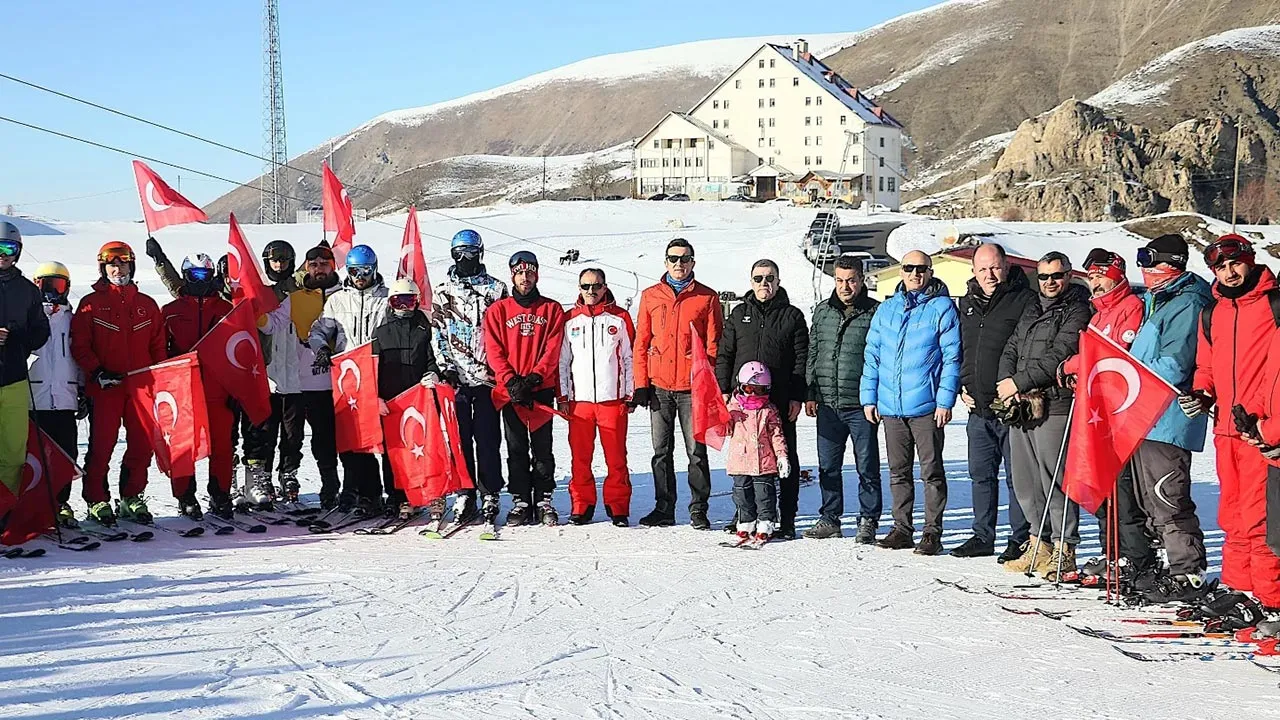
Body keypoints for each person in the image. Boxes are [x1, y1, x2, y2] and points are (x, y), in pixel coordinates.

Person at [1185, 234, 1280, 612]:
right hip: (1225, 429)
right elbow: (1206, 366)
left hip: (1262, 430)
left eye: (1234, 263)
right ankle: (1240, 591)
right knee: (1232, 517)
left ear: (1250, 259)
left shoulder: (1274, 305)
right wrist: (1201, 392)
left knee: (1259, 520)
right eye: (1220, 267)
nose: (1229, 272)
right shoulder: (1213, 312)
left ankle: (1268, 599)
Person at [1115, 235, 1210, 603]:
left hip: (1167, 418)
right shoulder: (1159, 300)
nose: (1143, 268)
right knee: (1149, 501)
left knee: (1167, 497)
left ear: (1169, 264)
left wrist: (1128, 376)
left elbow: (1174, 363)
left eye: (1148, 261)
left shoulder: (1187, 303)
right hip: (1145, 415)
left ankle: (1189, 573)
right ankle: (1170, 568)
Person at [998, 251, 1091, 580]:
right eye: (1044, 277)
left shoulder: (1077, 308)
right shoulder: (1032, 307)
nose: (1050, 282)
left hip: (1054, 402)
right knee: (1025, 480)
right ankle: (1038, 544)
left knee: (1055, 478)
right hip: (1022, 404)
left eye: (1057, 275)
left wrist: (1019, 381)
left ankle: (1064, 546)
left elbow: (1061, 353)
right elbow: (1012, 346)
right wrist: (1007, 382)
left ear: (1068, 275)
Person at [1061, 248, 1152, 580]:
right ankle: (1110, 552)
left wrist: (1073, 365)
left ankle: (1135, 556)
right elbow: (1090, 354)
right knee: (1102, 489)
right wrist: (1075, 369)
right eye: (1092, 276)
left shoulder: (1131, 308)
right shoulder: (1097, 314)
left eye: (1101, 275)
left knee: (1123, 493)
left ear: (1117, 275)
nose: (1095, 281)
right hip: (1096, 413)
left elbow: (1115, 356)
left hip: (1120, 414)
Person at [861, 250, 960, 555]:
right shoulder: (887, 309)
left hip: (926, 406)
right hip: (891, 406)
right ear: (901, 272)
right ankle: (901, 528)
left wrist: (945, 400)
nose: (916, 274)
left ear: (930, 272)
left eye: (922, 269)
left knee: (931, 472)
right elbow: (873, 356)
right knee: (897, 471)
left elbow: (951, 358)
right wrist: (869, 396)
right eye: (909, 268)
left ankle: (932, 532)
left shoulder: (942, 308)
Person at [71, 241, 166, 525]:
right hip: (106, 388)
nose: (117, 269)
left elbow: (158, 345)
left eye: (122, 264)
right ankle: (96, 500)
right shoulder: (91, 304)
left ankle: (131, 497)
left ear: (131, 266)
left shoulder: (147, 304)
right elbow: (80, 345)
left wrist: (159, 375)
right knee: (102, 446)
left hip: (141, 388)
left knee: (141, 445)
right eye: (111, 265)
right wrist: (97, 372)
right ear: (103, 269)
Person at [632, 238, 724, 529]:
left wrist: (706, 381)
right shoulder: (650, 296)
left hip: (691, 389)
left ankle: (699, 508)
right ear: (665, 262)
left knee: (696, 452)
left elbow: (714, 345)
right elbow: (641, 342)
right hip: (659, 386)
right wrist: (641, 383)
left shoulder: (707, 298)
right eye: (673, 258)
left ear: (693, 262)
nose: (679, 264)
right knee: (661, 452)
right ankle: (664, 507)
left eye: (684, 259)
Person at [716, 258, 808, 539]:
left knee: (782, 456)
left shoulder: (792, 316)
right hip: (742, 405)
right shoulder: (739, 314)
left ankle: (787, 517)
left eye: (769, 278)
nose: (764, 284)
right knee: (745, 460)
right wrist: (723, 388)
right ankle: (745, 514)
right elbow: (725, 354)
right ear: (751, 281)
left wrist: (796, 396)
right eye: (758, 278)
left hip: (777, 401)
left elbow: (801, 359)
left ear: (778, 281)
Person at [954, 243, 1036, 560]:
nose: (990, 274)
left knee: (1017, 478)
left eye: (995, 267)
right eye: (983, 268)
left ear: (1006, 265)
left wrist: (1018, 385)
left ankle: (1019, 538)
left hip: (1011, 406)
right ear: (974, 271)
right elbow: (962, 348)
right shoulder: (968, 303)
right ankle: (982, 535)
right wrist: (963, 385)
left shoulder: (1023, 299)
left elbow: (1028, 348)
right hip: (978, 407)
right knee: (981, 475)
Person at [430, 229, 508, 528]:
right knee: (459, 440)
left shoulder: (496, 289)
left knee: (487, 438)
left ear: (480, 252)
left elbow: (504, 332)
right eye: (459, 253)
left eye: (470, 252)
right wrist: (445, 365)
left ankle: (490, 492)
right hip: (457, 378)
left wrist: (499, 369)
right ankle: (465, 491)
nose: (465, 258)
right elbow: (438, 331)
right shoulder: (443, 291)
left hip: (488, 378)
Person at [483, 251, 565, 526]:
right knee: (516, 447)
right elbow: (493, 349)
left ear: (537, 274)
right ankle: (520, 499)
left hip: (539, 388)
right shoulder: (498, 310)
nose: (525, 278)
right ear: (512, 276)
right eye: (520, 273)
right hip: (511, 390)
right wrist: (510, 380)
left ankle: (543, 498)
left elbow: (553, 349)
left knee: (543, 447)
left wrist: (534, 379)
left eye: (530, 273)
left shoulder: (552, 309)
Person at [258, 243, 342, 509]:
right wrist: (252, 312)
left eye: (324, 264)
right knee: (286, 436)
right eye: (314, 264)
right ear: (306, 267)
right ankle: (273, 480)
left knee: (326, 441)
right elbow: (273, 324)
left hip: (334, 382)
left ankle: (331, 488)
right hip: (298, 382)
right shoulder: (295, 297)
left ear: (332, 266)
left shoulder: (344, 295)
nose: (319, 269)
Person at [804, 255, 881, 542]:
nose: (845, 286)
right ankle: (830, 518)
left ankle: (868, 519)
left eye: (851, 280)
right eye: (839, 280)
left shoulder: (875, 312)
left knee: (867, 466)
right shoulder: (823, 311)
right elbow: (813, 352)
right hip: (827, 402)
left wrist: (875, 397)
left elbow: (880, 357)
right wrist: (810, 392)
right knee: (828, 467)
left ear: (862, 280)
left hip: (860, 405)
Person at [310, 244, 390, 516]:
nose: (360, 276)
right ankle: (366, 494)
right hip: (350, 378)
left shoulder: (386, 299)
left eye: (365, 271)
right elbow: (319, 329)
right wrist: (321, 348)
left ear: (374, 269)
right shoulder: (338, 300)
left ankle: (395, 494)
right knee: (356, 440)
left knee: (386, 439)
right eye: (355, 271)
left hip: (380, 375)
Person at [160, 254, 235, 520]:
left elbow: (236, 351)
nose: (200, 281)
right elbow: (160, 351)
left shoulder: (226, 309)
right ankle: (185, 495)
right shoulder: (170, 311)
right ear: (185, 276)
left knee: (222, 444)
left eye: (205, 275)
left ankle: (220, 493)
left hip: (217, 387)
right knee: (183, 444)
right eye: (194, 275)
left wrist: (236, 389)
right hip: (183, 388)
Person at [558, 268, 635, 527]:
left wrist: (628, 393)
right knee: (580, 457)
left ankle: (618, 506)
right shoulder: (570, 320)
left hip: (611, 400)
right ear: (579, 288)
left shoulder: (620, 318)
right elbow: (563, 361)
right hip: (580, 403)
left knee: (616, 458)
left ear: (605, 287)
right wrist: (564, 395)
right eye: (586, 286)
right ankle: (582, 504)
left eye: (597, 286)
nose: (591, 291)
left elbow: (629, 357)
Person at [373, 278, 439, 518]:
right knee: (395, 452)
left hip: (420, 399)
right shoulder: (381, 333)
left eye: (409, 300)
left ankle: (426, 494)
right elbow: (373, 368)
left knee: (424, 449)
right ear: (391, 303)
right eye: (398, 300)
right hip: (392, 402)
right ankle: (397, 497)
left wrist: (433, 373)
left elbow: (433, 357)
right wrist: (376, 397)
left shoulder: (425, 329)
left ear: (417, 302)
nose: (404, 306)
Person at [242, 240, 302, 501]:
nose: (279, 265)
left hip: (297, 375)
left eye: (284, 261)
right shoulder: (259, 292)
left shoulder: (301, 292)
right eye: (274, 261)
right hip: (266, 375)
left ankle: (288, 473)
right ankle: (261, 477)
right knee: (264, 432)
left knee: (293, 434)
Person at [27, 261, 86, 528]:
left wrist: (83, 389)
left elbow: (80, 356)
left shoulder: (73, 321)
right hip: (33, 397)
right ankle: (30, 506)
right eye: (46, 285)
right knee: (32, 456)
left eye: (58, 285)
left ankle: (61, 504)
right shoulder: (29, 319)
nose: (52, 291)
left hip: (64, 398)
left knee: (65, 455)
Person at [0, 223, 52, 522]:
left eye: (7, 249)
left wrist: (19, 337)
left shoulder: (28, 291)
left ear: (17, 252)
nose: (2, 255)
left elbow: (40, 332)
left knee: (12, 453)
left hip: (15, 379)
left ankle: (4, 511)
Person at [725, 362, 790, 544]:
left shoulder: (769, 410)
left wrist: (782, 456)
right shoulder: (733, 408)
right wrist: (719, 417)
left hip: (764, 462)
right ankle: (745, 522)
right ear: (740, 387)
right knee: (742, 494)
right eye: (748, 388)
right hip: (740, 462)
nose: (753, 394)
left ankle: (766, 522)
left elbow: (777, 435)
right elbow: (724, 429)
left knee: (764, 494)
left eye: (759, 390)